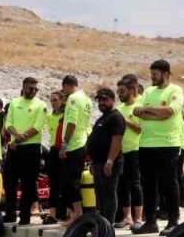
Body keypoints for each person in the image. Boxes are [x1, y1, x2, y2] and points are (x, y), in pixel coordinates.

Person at [133, 60, 184, 236]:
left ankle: (173, 220)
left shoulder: (175, 90)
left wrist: (149, 112)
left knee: (169, 183)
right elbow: (138, 112)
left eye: (155, 74)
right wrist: (157, 113)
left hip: (168, 144)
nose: (152, 77)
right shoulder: (147, 91)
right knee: (148, 184)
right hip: (146, 143)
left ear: (166, 74)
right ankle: (150, 221)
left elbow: (170, 111)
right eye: (151, 73)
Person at [3, 77, 47, 224]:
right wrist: (15, 136)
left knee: (28, 183)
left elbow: (38, 127)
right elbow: (8, 124)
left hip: (31, 148)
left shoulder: (41, 105)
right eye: (30, 88)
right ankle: (9, 213)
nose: (32, 91)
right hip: (14, 148)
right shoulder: (14, 103)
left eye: (35, 89)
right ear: (23, 87)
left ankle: (25, 216)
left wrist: (18, 140)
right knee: (9, 181)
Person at [87, 88, 126, 224]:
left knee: (109, 193)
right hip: (98, 162)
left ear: (113, 100)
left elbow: (117, 140)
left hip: (109, 162)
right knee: (100, 194)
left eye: (105, 100)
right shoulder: (103, 118)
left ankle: (108, 223)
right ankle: (102, 221)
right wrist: (93, 162)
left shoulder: (116, 117)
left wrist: (110, 161)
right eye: (100, 100)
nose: (102, 103)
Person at [58, 76, 92, 225]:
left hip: (74, 144)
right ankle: (76, 213)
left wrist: (65, 143)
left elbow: (71, 122)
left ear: (67, 86)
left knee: (71, 182)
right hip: (83, 141)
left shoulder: (73, 98)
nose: (63, 92)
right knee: (73, 180)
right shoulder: (87, 99)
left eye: (64, 88)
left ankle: (77, 214)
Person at [114, 75, 144, 228]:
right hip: (120, 151)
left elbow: (140, 129)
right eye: (118, 91)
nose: (119, 94)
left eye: (122, 91)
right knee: (123, 185)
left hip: (135, 149)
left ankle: (138, 217)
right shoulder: (118, 109)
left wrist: (125, 121)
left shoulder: (139, 106)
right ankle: (127, 217)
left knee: (135, 183)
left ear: (132, 90)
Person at [42, 91, 66, 223]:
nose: (53, 103)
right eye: (51, 100)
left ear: (62, 101)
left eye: (55, 100)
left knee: (64, 182)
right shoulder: (50, 117)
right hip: (53, 149)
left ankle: (64, 212)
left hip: (64, 148)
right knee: (53, 182)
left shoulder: (66, 116)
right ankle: (52, 214)